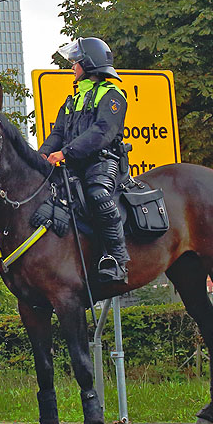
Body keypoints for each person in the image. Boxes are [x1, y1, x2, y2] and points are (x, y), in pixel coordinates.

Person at [37, 37, 130, 283]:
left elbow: (102, 132)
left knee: (98, 194)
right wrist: (41, 157)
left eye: (75, 63)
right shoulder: (73, 99)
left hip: (102, 162)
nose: (72, 68)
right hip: (74, 166)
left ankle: (117, 259)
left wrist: (65, 153)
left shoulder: (112, 95)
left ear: (89, 65)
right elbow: (57, 133)